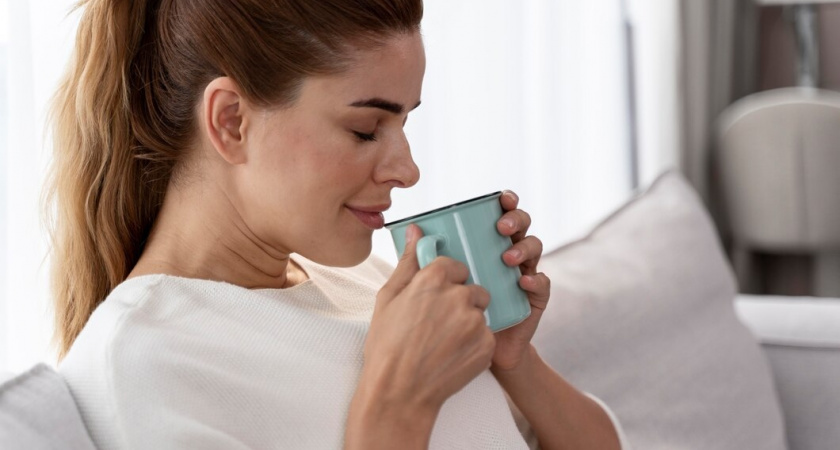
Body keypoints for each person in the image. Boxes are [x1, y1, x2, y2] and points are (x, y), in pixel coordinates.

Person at [47, 0, 627, 448]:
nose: (408, 171)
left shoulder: (369, 284)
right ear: (231, 122)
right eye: (365, 130)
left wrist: (513, 361)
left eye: (404, 124)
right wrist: (395, 407)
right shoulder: (144, 368)